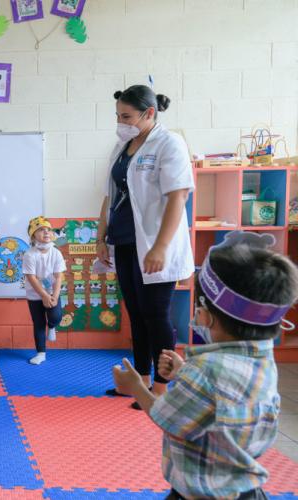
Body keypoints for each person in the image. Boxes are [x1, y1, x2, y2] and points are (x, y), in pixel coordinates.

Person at [113, 231, 298, 499]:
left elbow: (167, 417)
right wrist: (184, 371)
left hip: (199, 492)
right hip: (247, 491)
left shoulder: (206, 370)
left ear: (208, 316)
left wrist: (137, 387)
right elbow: (226, 394)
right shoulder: (263, 358)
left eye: (199, 306)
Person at [96, 85, 194, 408]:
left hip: (153, 244)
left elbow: (177, 196)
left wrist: (161, 247)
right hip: (124, 241)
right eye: (118, 116)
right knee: (136, 314)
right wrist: (101, 237)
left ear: (149, 113)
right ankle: (138, 381)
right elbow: (110, 196)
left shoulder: (169, 144)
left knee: (156, 314)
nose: (121, 122)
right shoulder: (122, 146)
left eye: (127, 116)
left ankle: (162, 389)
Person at [22, 216, 66, 365]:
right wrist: (43, 296)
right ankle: (41, 353)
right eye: (41, 230)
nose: (46, 232)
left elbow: (59, 277)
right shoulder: (29, 254)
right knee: (39, 322)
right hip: (35, 294)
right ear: (33, 235)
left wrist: (54, 296)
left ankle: (52, 326)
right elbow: (31, 278)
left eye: (48, 229)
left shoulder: (56, 253)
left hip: (53, 291)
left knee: (56, 316)